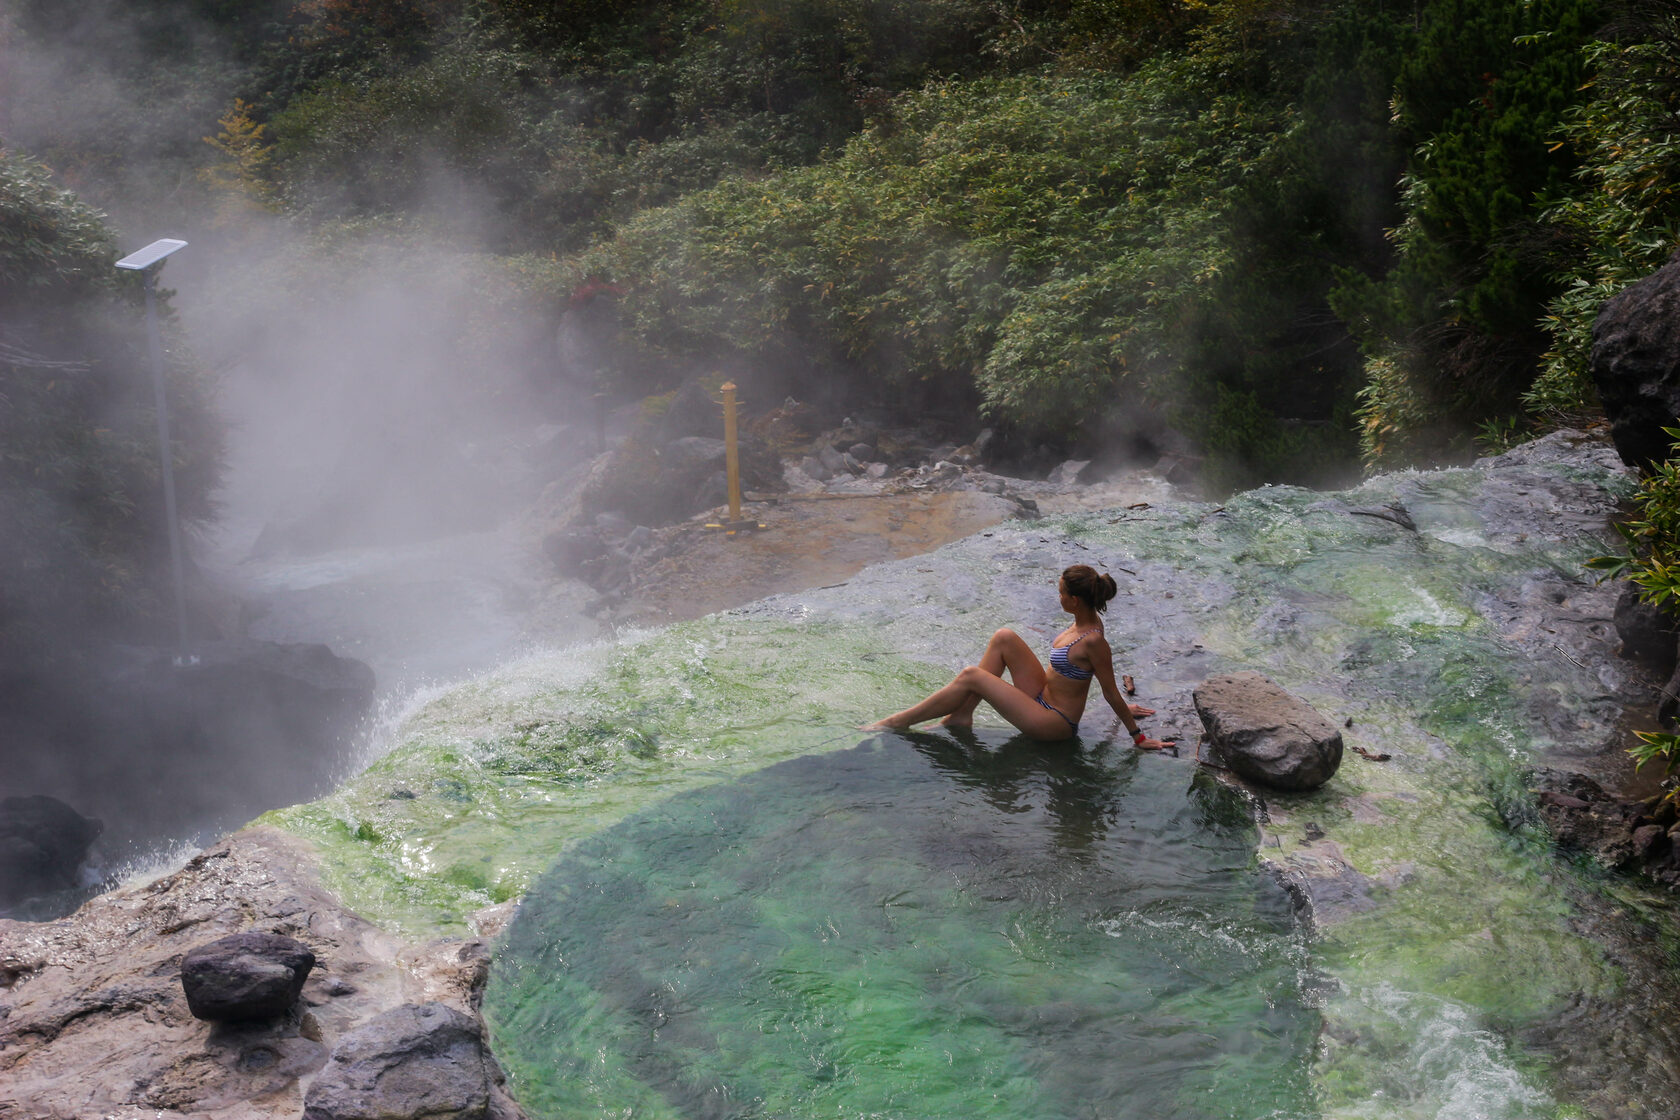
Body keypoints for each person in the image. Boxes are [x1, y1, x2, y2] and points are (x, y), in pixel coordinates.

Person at [865, 564, 1174, 748]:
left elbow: (1109, 691)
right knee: (1004, 637)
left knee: (972, 676)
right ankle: (961, 716)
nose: (1059, 597)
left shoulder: (1094, 641)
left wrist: (1137, 737)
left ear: (1075, 600)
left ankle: (897, 722)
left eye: (1062, 592)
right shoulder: (1083, 620)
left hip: (1055, 723)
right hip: (1042, 697)